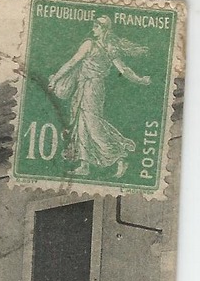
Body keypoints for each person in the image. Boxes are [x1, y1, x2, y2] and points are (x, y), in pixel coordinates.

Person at [46, 14, 153, 179]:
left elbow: (122, 69)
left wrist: (140, 80)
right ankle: (84, 164)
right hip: (85, 86)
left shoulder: (99, 46)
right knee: (81, 123)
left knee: (93, 124)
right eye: (94, 26)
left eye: (96, 26)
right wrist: (56, 78)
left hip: (92, 88)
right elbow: (73, 62)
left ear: (104, 29)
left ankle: (120, 155)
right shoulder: (99, 45)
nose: (93, 29)